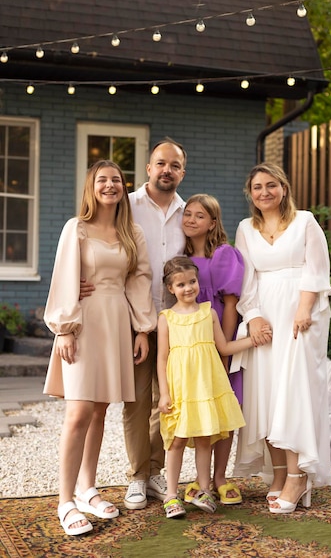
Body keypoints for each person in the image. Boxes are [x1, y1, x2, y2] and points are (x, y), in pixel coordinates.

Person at [43, 160, 156, 536]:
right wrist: (65, 329)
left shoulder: (132, 232)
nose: (110, 186)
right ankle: (65, 502)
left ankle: (87, 487)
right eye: (102, 180)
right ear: (91, 187)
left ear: (124, 188)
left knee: (100, 412)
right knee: (78, 412)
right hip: (83, 322)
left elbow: (140, 279)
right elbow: (63, 276)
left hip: (117, 322)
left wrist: (142, 329)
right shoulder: (76, 228)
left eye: (116, 181)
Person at [80, 138, 187, 509]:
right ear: (148, 168)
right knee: (136, 401)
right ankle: (137, 475)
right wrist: (80, 281)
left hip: (175, 320)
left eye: (174, 165)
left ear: (182, 172)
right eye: (160, 163)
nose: (166, 170)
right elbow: (95, 242)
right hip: (130, 318)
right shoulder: (127, 204)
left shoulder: (187, 214)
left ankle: (156, 470)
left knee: (167, 401)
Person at [233, 162, 331, 514]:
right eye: (257, 187)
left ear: (284, 188)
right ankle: (277, 472)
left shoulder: (305, 221)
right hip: (265, 317)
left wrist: (304, 309)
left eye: (271, 185)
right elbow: (247, 278)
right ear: (251, 194)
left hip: (300, 314)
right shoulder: (246, 228)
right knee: (268, 394)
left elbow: (318, 270)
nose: (265, 192)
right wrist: (254, 315)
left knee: (295, 392)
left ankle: (298, 474)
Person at [157, 256, 271, 519]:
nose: (188, 288)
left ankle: (204, 489)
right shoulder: (166, 318)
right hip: (181, 389)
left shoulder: (209, 313)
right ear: (170, 288)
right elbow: (162, 358)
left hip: (205, 387)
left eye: (192, 281)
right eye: (181, 284)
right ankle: (171, 495)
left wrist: (253, 340)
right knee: (176, 440)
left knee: (204, 438)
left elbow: (224, 348)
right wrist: (164, 393)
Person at [182, 194, 245, 505]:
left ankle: (220, 476)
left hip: (219, 342)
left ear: (213, 223)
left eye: (200, 216)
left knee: (224, 409)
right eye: (188, 214)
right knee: (198, 406)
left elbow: (230, 305)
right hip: (191, 346)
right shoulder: (180, 259)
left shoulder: (223, 254)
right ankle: (200, 476)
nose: (192, 220)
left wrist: (226, 351)